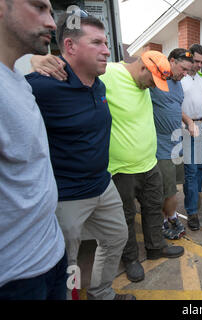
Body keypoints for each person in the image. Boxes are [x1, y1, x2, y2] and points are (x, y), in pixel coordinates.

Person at [31, 50, 185, 284]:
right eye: (152, 81)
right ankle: (131, 259)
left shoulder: (145, 84)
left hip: (149, 162)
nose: (153, 87)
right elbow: (75, 68)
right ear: (143, 67)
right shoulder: (110, 73)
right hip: (121, 168)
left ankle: (156, 247)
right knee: (125, 217)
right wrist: (39, 60)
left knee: (153, 208)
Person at [27, 12, 133, 300]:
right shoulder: (41, 86)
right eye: (97, 42)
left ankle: (101, 293)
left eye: (106, 42)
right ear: (71, 47)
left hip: (102, 185)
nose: (107, 50)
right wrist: (28, 60)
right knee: (66, 262)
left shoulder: (98, 84)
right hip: (66, 197)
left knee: (116, 238)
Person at [0, 0, 67, 300]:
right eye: (39, 8)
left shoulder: (16, 77)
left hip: (50, 253)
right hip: (16, 278)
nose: (52, 23)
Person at [151, 48, 193, 240]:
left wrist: (189, 121)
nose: (184, 74)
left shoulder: (178, 85)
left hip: (176, 144)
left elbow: (175, 107)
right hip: (160, 147)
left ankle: (172, 217)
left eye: (187, 71)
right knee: (164, 191)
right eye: (183, 69)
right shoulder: (154, 80)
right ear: (171, 61)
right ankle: (162, 224)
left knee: (173, 189)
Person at [181, 44, 202, 231]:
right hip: (188, 128)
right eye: (196, 61)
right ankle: (192, 211)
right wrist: (189, 123)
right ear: (189, 58)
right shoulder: (181, 77)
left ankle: (195, 197)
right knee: (192, 171)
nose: (199, 65)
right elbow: (175, 104)